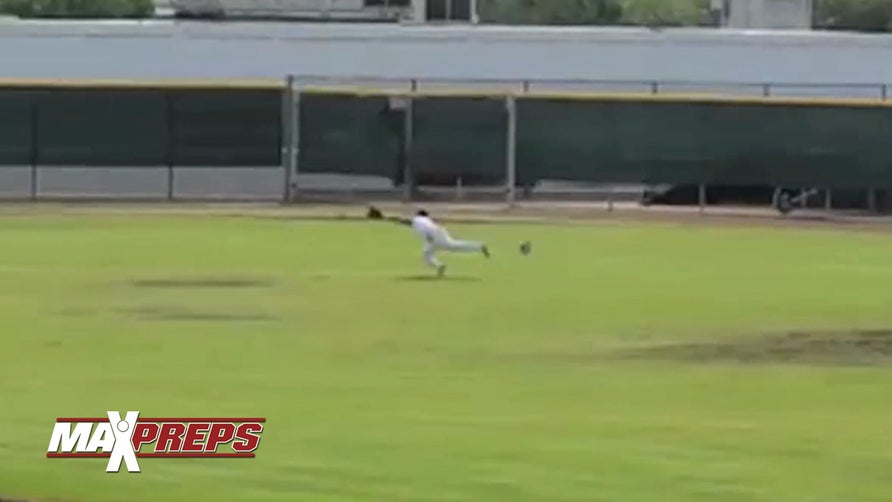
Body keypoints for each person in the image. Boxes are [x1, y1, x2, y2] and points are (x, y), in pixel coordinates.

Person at [387, 209, 489, 277]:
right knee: (429, 254)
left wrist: (390, 218)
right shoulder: (423, 221)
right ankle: (440, 266)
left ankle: (479, 247)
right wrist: (393, 219)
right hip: (437, 233)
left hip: (433, 235)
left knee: (448, 248)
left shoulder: (418, 218)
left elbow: (407, 221)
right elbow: (409, 224)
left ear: (419, 214)